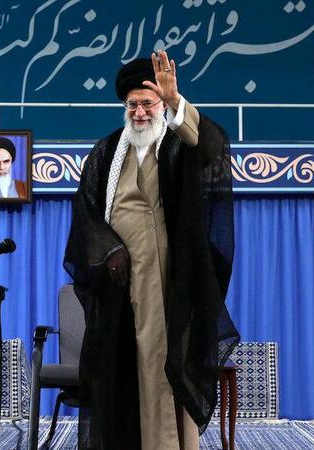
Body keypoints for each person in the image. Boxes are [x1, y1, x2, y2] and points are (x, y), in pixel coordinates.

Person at [64, 50, 240, 450]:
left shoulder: (178, 142)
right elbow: (86, 211)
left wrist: (177, 101)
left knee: (160, 360)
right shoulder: (107, 150)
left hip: (166, 275)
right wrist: (109, 250)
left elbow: (211, 144)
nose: (140, 112)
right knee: (124, 365)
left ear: (161, 104)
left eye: (148, 103)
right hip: (118, 281)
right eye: (133, 105)